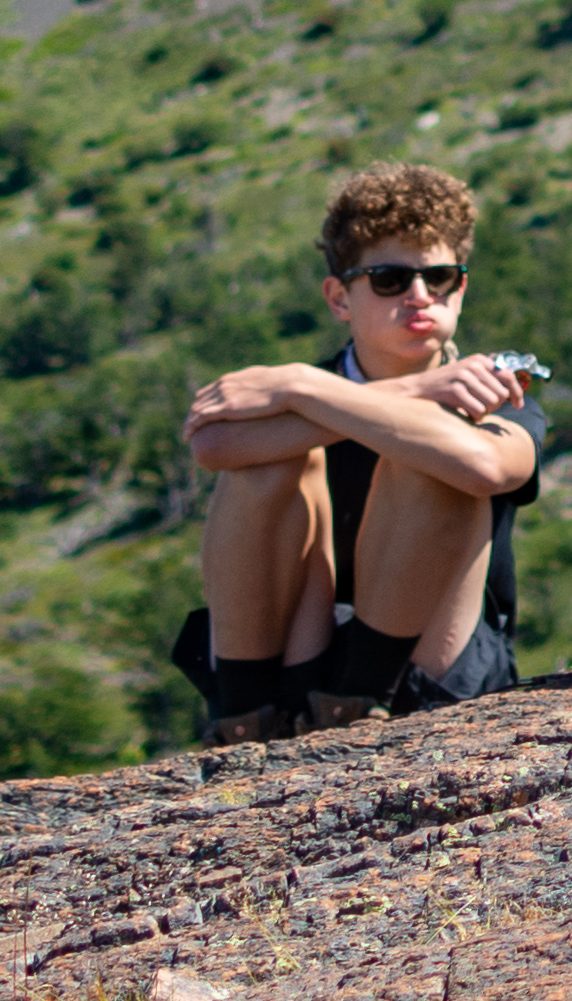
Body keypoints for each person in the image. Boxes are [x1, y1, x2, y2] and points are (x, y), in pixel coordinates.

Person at [169, 165, 549, 739]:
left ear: (460, 288)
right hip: (304, 650)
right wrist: (408, 388)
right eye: (389, 279)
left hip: (430, 667)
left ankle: (360, 704)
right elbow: (214, 444)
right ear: (338, 297)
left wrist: (299, 386)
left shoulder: (490, 388)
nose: (420, 296)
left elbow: (489, 465)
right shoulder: (308, 388)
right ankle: (245, 722)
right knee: (263, 467)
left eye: (440, 276)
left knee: (436, 450)